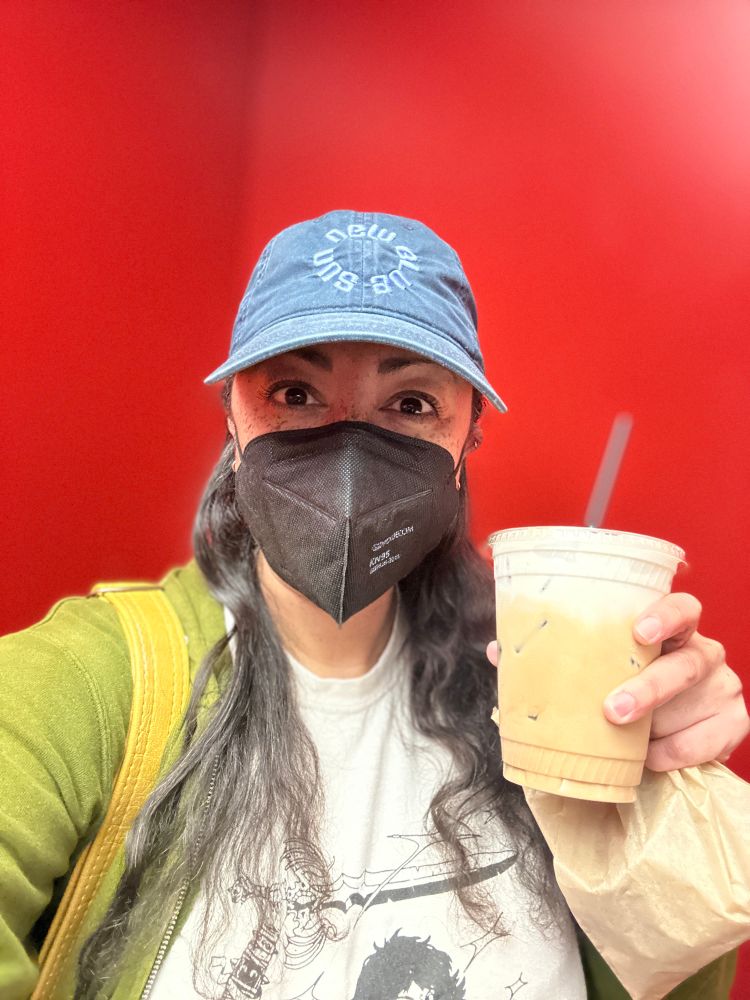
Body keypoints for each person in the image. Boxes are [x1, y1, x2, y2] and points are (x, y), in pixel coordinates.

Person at [1, 210, 747, 1000]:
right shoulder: (85, 681)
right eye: (296, 391)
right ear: (233, 415)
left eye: (411, 404)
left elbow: (672, 978)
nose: (350, 446)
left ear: (468, 437)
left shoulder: (540, 695)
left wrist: (665, 793)